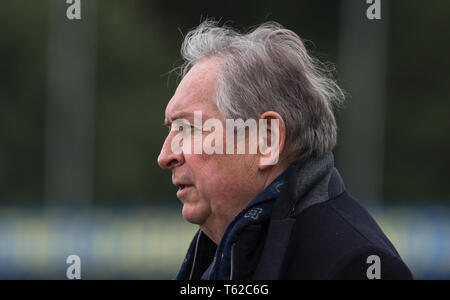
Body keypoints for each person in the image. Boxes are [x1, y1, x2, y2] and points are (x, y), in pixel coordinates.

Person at [157, 20, 413, 280]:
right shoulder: (222, 256)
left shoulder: (357, 266)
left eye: (188, 129)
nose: (165, 156)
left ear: (266, 141)